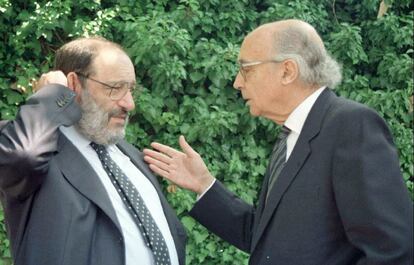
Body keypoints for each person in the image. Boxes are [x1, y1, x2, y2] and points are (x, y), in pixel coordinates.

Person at [143, 19, 413, 265]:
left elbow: (394, 252)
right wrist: (205, 185)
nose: (237, 82)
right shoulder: (292, 135)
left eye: (246, 69)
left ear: (287, 71)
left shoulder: (351, 126)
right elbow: (266, 237)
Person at [0, 37, 186, 265]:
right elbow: (23, 158)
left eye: (131, 89)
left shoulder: (133, 156)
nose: (129, 104)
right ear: (74, 85)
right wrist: (50, 98)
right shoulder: (34, 148)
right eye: (115, 88)